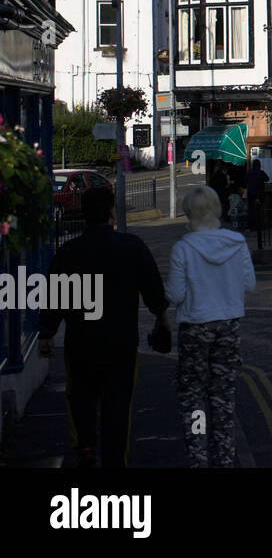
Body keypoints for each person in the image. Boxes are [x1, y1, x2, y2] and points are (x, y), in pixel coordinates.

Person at [37, 186, 169, 469]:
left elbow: (54, 298)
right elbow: (153, 290)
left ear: (83, 215)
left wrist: (46, 333)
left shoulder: (68, 252)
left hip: (81, 344)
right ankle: (114, 461)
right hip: (121, 345)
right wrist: (161, 317)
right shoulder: (132, 246)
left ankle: (85, 448)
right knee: (118, 408)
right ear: (111, 212)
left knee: (80, 400)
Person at [167, 186, 256, 468]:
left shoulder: (184, 248)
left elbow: (176, 295)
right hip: (228, 325)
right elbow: (249, 284)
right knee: (223, 398)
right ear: (217, 209)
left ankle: (198, 457)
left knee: (193, 398)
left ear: (189, 213)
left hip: (195, 327)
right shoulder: (237, 243)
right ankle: (226, 458)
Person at [245, 158, 269, 243]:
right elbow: (267, 179)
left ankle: (251, 226)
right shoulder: (261, 172)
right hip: (259, 194)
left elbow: (245, 181)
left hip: (251, 194)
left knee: (251, 210)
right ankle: (259, 226)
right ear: (259, 165)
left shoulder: (249, 173)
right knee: (259, 210)